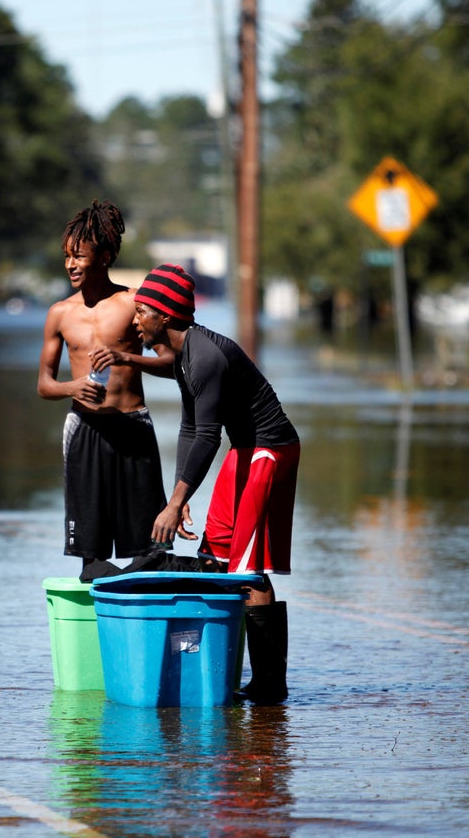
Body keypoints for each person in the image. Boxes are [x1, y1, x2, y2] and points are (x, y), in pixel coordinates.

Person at [131, 263, 301, 704]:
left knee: (247, 569)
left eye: (141, 310)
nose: (135, 319)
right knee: (214, 560)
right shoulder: (185, 358)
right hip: (240, 451)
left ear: (164, 316)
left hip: (268, 449)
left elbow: (208, 436)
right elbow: (191, 430)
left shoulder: (205, 356)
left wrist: (174, 505)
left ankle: (269, 686)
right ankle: (226, 674)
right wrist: (178, 497)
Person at [37, 201, 177, 581]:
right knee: (91, 559)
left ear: (106, 255)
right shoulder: (60, 313)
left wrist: (125, 358)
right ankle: (97, 627)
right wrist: (72, 388)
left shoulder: (134, 303)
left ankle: (143, 625)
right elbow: (44, 385)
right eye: (66, 256)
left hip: (134, 428)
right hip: (86, 431)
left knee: (148, 553)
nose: (70, 265)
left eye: (79, 256)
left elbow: (172, 364)